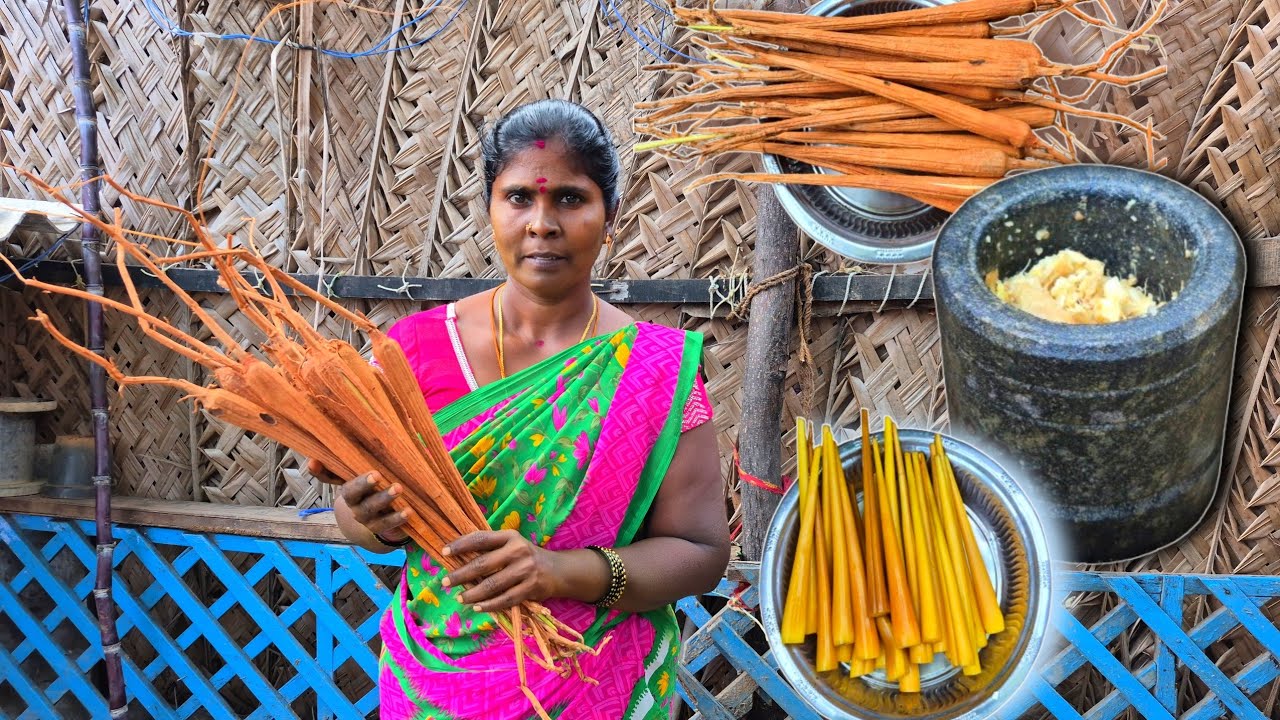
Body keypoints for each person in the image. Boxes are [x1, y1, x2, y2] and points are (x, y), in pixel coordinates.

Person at [310, 99, 730, 720]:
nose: (542, 223)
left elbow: (699, 552)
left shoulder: (655, 372)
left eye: (569, 198)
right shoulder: (411, 355)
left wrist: (559, 572)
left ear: (609, 216)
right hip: (438, 687)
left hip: (602, 684)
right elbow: (358, 522)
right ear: (489, 211)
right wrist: (362, 512)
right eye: (518, 199)